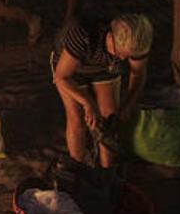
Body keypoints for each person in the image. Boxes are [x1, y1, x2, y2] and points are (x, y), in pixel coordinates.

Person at [52, 14, 154, 168]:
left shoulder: (137, 41)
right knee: (76, 116)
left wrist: (128, 104)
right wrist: (87, 102)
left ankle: (106, 170)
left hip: (104, 68)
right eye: (121, 54)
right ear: (111, 37)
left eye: (129, 57)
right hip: (71, 69)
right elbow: (60, 77)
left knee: (109, 115)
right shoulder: (83, 34)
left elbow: (138, 74)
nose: (125, 59)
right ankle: (77, 166)